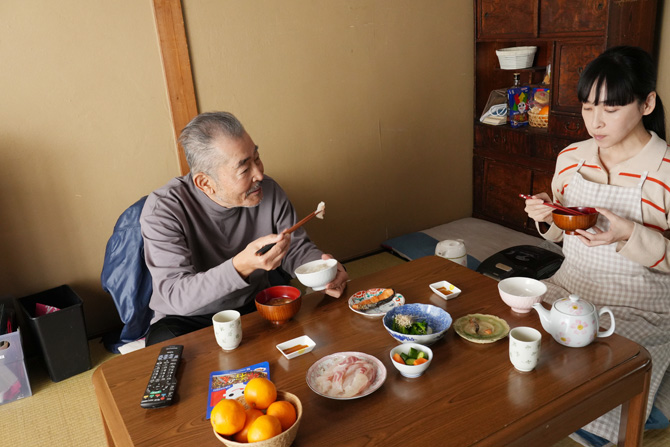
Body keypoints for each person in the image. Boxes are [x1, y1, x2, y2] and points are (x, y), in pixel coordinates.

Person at [524, 46, 670, 446]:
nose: (595, 122)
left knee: (593, 397)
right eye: (588, 108)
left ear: (647, 103)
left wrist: (628, 234)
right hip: (568, 288)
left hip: (638, 307)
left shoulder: (667, 171)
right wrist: (547, 217)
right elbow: (561, 233)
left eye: (610, 109)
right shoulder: (571, 158)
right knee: (510, 350)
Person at [140, 111, 348, 346]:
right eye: (244, 169)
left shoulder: (267, 190)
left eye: (256, 158)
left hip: (252, 305)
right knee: (164, 355)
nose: (259, 174)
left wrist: (324, 269)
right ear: (205, 183)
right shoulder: (163, 210)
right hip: (188, 319)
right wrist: (240, 266)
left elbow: (296, 248)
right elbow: (176, 294)